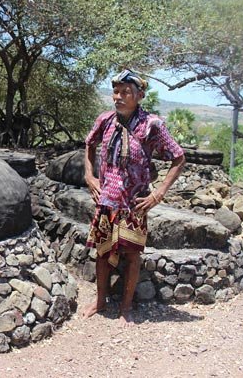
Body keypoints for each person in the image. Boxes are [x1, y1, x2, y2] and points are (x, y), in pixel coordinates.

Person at [81, 69, 186, 326]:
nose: (118, 97)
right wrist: (89, 175)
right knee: (103, 253)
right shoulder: (105, 120)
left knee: (132, 255)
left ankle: (126, 308)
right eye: (116, 91)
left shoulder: (151, 125)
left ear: (139, 96)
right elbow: (89, 144)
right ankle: (100, 301)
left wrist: (158, 193)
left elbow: (178, 157)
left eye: (126, 92)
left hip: (135, 203)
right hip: (106, 200)